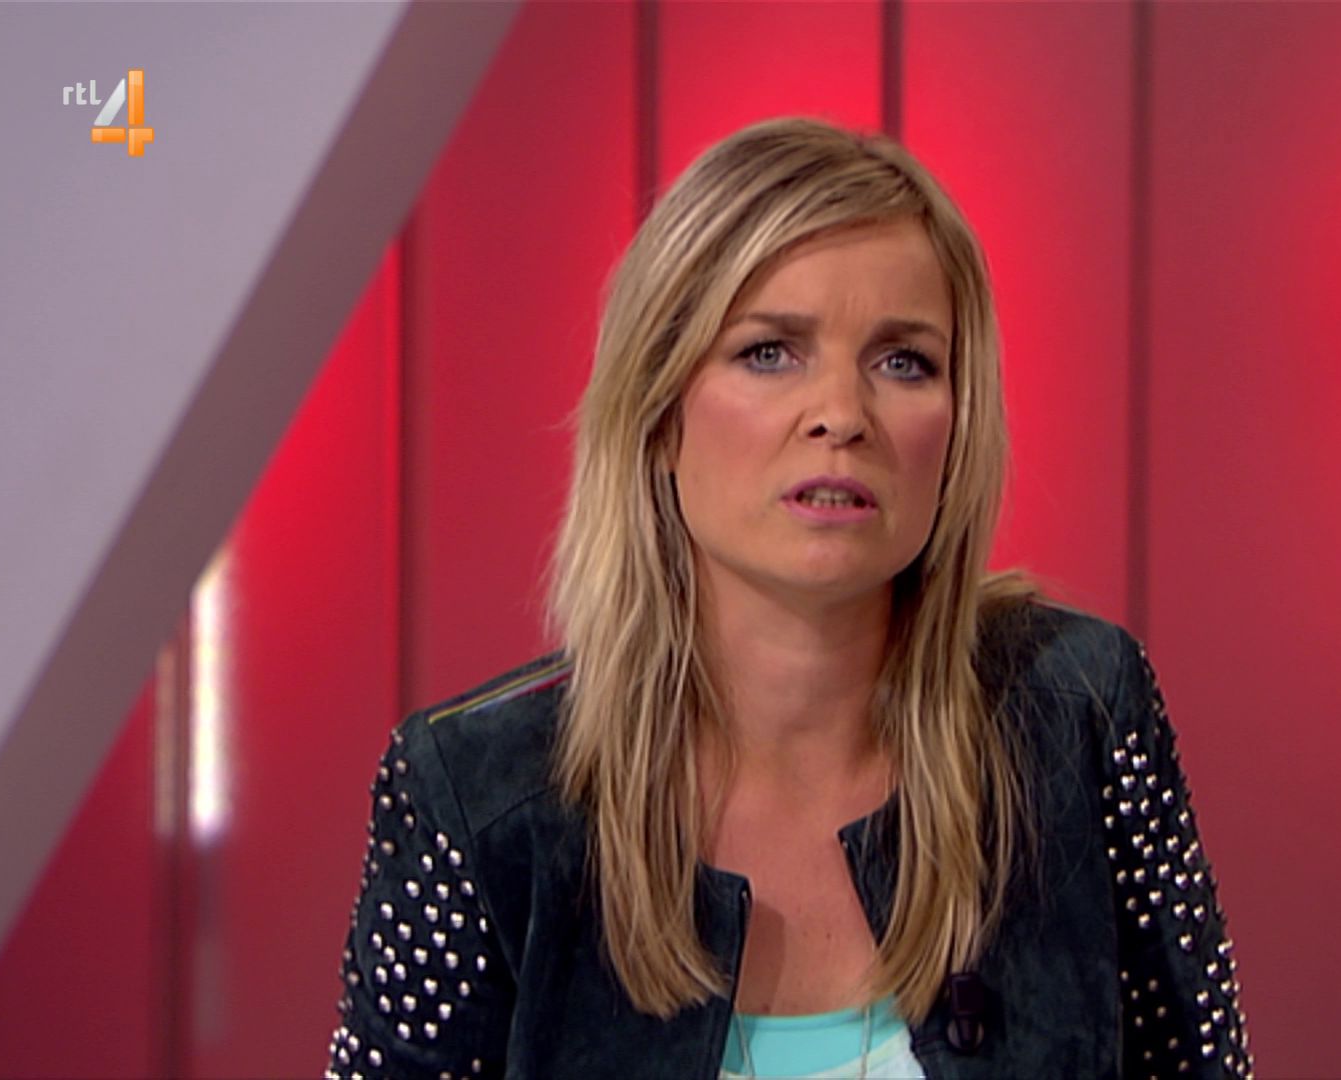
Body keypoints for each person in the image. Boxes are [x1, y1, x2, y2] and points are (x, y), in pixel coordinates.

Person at [325, 116, 1250, 1080]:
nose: (841, 416)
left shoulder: (1080, 716)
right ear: (660, 410)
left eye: (903, 361)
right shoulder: (475, 797)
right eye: (770, 352)